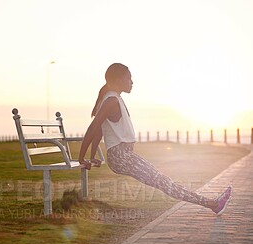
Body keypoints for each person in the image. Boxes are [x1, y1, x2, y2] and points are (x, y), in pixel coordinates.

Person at [78, 63, 232, 215]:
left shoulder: (112, 98)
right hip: (121, 156)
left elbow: (99, 130)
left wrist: (91, 156)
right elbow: (94, 128)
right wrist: (81, 157)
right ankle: (212, 204)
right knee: (164, 182)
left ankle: (212, 204)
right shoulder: (111, 100)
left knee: (163, 181)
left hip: (123, 155)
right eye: (128, 78)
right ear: (118, 80)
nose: (132, 82)